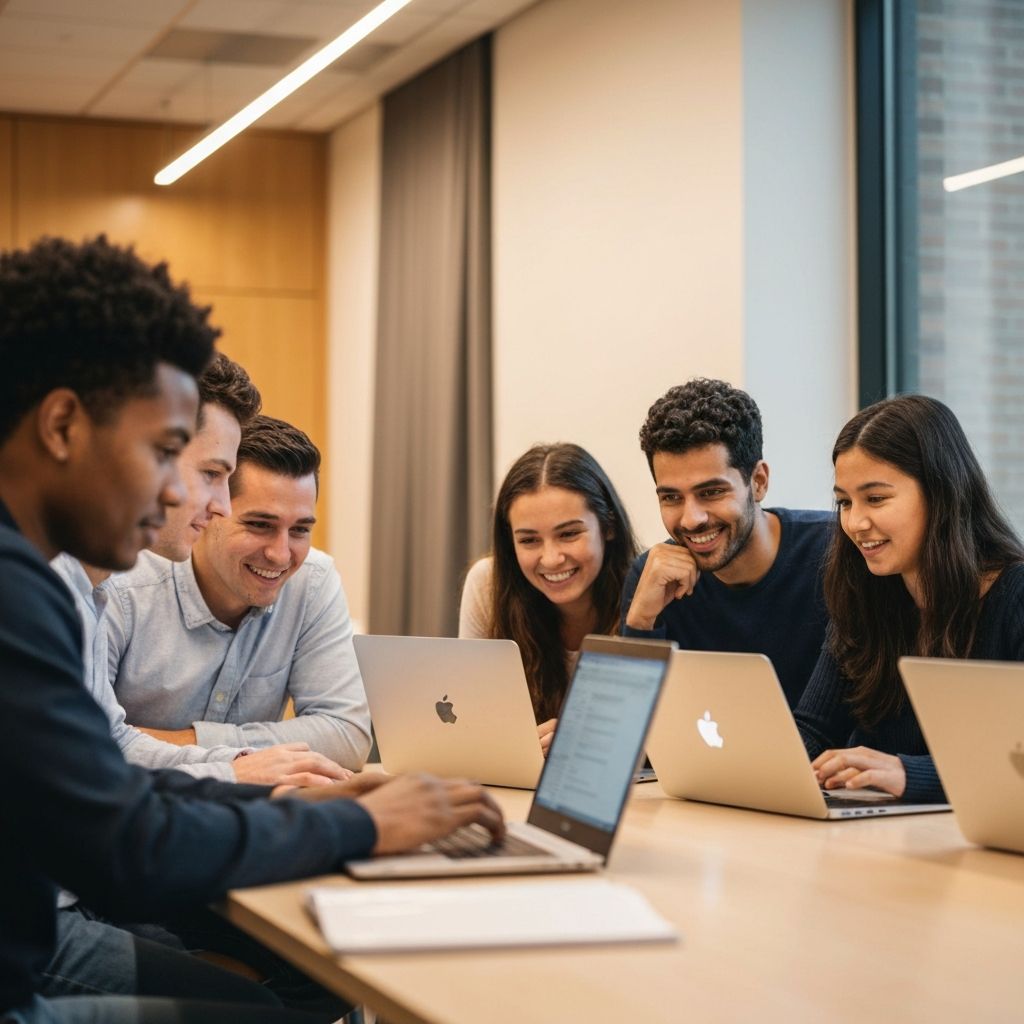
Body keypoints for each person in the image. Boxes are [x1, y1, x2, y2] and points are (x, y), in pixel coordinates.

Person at [0, 235, 503, 1023]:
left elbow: (115, 789)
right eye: (173, 455)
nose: (194, 498)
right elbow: (127, 844)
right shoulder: (21, 588)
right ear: (63, 425)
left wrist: (310, 811)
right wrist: (356, 821)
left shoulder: (36, 571)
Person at [52, 354, 350, 788]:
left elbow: (111, 740)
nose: (221, 507)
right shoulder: (51, 583)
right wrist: (229, 775)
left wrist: (238, 766)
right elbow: (79, 777)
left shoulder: (89, 584)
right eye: (211, 474)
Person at [103, 414, 372, 774]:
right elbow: (83, 747)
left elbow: (346, 734)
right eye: (260, 525)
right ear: (211, 509)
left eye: (300, 530)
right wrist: (237, 766)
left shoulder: (313, 581)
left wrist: (191, 741)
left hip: (251, 815)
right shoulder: (120, 585)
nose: (280, 554)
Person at [794, 394, 1024, 803]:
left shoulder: (1015, 596)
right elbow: (814, 730)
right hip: (887, 839)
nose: (855, 522)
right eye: (845, 502)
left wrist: (908, 773)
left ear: (942, 492)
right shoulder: (863, 594)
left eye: (876, 498)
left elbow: (1013, 768)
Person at [621, 378, 831, 707]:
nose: (691, 519)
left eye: (712, 492)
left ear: (758, 482)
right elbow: (629, 738)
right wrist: (640, 623)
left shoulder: (834, 553)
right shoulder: (653, 579)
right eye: (672, 497)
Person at [459, 442, 639, 752]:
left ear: (608, 526)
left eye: (569, 534)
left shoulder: (647, 590)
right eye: (529, 540)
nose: (552, 559)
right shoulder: (487, 584)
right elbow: (470, 723)